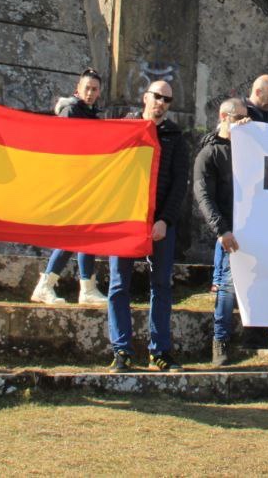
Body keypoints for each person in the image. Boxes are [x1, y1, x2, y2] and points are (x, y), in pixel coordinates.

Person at [107, 79, 191, 373]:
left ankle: (160, 351)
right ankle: (121, 349)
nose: (162, 103)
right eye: (158, 97)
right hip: (126, 219)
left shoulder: (176, 137)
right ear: (145, 97)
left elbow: (179, 183)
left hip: (160, 223)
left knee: (162, 285)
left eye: (167, 100)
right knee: (119, 284)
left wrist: (164, 220)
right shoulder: (126, 128)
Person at [31, 69, 108, 306]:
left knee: (86, 233)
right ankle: (46, 285)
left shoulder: (92, 114)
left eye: (94, 89)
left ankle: (87, 287)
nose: (90, 93)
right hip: (73, 183)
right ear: (78, 88)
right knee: (75, 234)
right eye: (87, 88)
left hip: (86, 182)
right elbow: (63, 146)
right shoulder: (71, 110)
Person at [194, 98, 251, 365]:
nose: (243, 122)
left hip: (253, 227)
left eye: (246, 118)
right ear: (223, 116)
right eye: (238, 117)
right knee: (227, 286)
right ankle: (220, 340)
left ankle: (258, 334)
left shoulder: (252, 148)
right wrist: (222, 230)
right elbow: (204, 196)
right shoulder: (209, 154)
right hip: (229, 230)